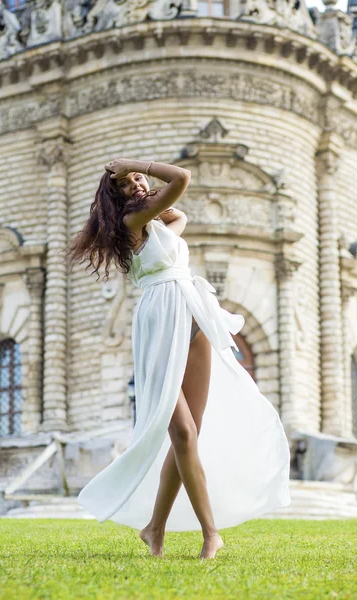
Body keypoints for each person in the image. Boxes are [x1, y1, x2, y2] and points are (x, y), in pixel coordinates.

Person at [66, 159, 291, 560]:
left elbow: (180, 216)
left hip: (194, 315)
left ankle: (154, 528)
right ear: (114, 196)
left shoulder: (155, 225)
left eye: (140, 180)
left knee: (190, 433)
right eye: (127, 184)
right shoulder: (134, 220)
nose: (137, 184)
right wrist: (134, 165)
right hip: (160, 320)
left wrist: (140, 182)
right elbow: (183, 179)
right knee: (183, 433)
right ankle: (210, 533)